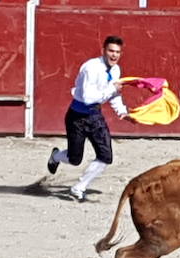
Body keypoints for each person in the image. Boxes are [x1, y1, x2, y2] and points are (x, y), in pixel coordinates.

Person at [46, 35, 133, 202]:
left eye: (118, 52)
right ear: (103, 51)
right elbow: (88, 98)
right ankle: (56, 156)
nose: (114, 55)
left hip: (95, 116)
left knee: (106, 156)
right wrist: (111, 88)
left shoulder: (115, 70)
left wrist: (122, 112)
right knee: (74, 159)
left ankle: (79, 187)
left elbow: (114, 94)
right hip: (77, 117)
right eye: (111, 51)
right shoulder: (91, 68)